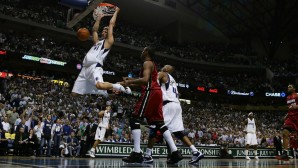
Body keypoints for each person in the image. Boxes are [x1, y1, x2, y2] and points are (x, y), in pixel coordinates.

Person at [121, 47, 183, 164]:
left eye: (143, 50)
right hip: (157, 93)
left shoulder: (147, 62)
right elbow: (147, 80)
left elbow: (145, 80)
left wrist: (129, 82)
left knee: (135, 118)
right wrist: (132, 80)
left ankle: (137, 153)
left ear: (147, 52)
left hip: (151, 91)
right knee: (159, 123)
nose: (141, 52)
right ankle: (175, 152)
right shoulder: (151, 64)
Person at [147, 65, 203, 164]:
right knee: (178, 133)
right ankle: (195, 152)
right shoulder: (173, 80)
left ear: (168, 70)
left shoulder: (162, 73)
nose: (163, 67)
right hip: (177, 105)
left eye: (166, 66)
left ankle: (148, 155)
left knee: (154, 127)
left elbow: (152, 82)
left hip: (168, 105)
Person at [71, 6, 130, 97]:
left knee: (100, 85)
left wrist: (116, 12)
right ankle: (118, 86)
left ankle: (119, 86)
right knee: (74, 94)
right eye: (104, 30)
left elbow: (111, 24)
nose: (105, 31)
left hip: (95, 67)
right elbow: (94, 30)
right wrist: (99, 18)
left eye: (107, 30)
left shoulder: (108, 42)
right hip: (85, 69)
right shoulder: (97, 42)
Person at [278, 84, 298, 160]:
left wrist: (297, 106)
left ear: (294, 88)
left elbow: (295, 106)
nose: (288, 88)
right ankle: (285, 153)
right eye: (287, 87)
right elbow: (290, 108)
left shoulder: (297, 95)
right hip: (290, 118)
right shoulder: (287, 97)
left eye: (290, 87)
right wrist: (286, 116)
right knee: (285, 132)